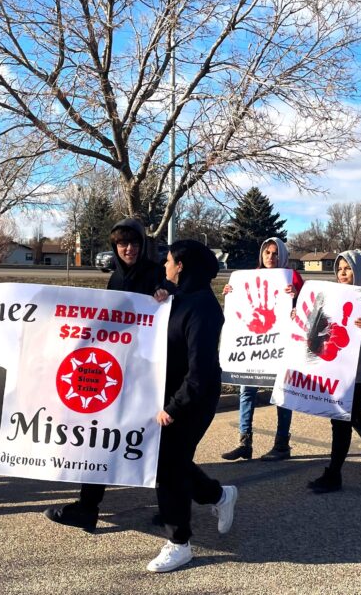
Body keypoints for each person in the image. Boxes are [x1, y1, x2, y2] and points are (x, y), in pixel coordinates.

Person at [45, 218, 170, 532]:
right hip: (116, 370)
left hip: (151, 371)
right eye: (121, 244)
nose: (128, 249)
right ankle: (87, 508)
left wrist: (166, 295)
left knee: (155, 442)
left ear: (143, 246)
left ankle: (179, 504)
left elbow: (172, 308)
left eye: (134, 243)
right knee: (99, 436)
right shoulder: (115, 278)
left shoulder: (158, 274)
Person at [148, 240, 237, 573]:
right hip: (174, 396)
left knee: (168, 466)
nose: (165, 266)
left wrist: (174, 407)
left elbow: (200, 372)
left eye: (169, 261)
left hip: (193, 400)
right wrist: (160, 298)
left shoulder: (202, 308)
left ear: (181, 265)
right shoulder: (179, 298)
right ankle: (218, 496)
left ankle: (179, 542)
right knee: (172, 462)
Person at [307, 249, 361, 494]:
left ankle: (333, 474)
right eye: (340, 268)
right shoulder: (334, 295)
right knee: (354, 415)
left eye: (348, 268)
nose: (343, 273)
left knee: (341, 418)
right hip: (338, 369)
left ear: (360, 270)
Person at [221, 237, 303, 462]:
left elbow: (307, 307)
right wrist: (231, 293)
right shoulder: (251, 276)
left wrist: (297, 298)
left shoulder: (292, 277)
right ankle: (244, 442)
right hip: (253, 346)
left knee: (282, 394)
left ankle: (282, 444)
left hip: (281, 347)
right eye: (267, 252)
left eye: (275, 253)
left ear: (283, 255)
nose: (270, 257)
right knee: (246, 390)